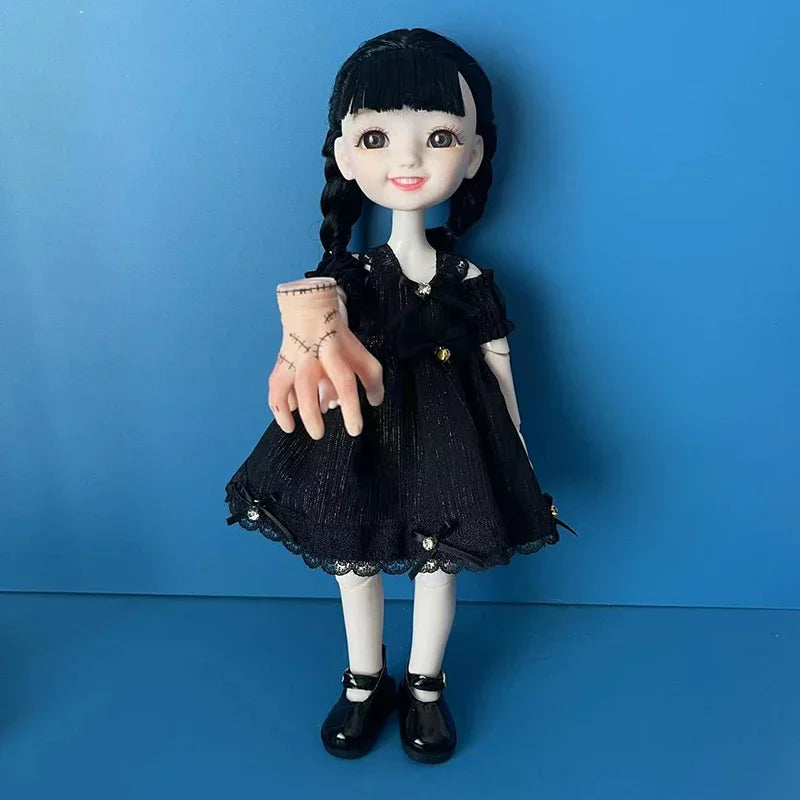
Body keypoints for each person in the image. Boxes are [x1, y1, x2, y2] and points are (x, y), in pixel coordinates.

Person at [225, 27, 576, 764]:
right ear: (345, 154)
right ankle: (364, 680)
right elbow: (309, 346)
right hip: (359, 445)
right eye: (377, 138)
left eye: (440, 138)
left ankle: (424, 684)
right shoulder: (344, 281)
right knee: (353, 564)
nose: (408, 161)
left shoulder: (469, 282)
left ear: (474, 155)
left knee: (438, 567)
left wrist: (514, 448)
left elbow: (499, 367)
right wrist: (300, 352)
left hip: (450, 448)